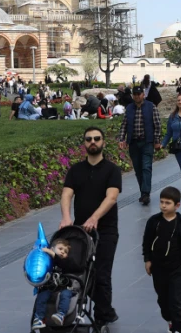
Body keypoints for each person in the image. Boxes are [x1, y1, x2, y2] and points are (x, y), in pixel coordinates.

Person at [60, 126, 121, 327]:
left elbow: (111, 197)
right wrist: (66, 217)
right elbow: (67, 194)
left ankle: (103, 316)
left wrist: (95, 218)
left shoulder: (112, 170)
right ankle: (107, 310)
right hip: (80, 231)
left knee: (102, 273)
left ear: (103, 142)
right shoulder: (76, 170)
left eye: (96, 138)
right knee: (81, 272)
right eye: (89, 139)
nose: (92, 142)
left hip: (106, 230)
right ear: (84, 143)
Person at [142, 186, 181, 333]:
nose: (163, 206)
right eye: (161, 202)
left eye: (167, 203)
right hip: (158, 268)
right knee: (163, 300)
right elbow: (146, 242)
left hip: (177, 268)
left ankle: (178, 328)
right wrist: (147, 260)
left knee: (177, 301)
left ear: (177, 205)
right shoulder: (154, 222)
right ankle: (170, 320)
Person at [120, 85, 162, 206]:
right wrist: (122, 138)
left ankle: (146, 193)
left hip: (147, 142)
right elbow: (124, 124)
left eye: (139, 94)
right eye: (135, 94)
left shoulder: (151, 107)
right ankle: (143, 192)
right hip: (133, 142)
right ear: (133, 96)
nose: (137, 96)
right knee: (138, 169)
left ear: (143, 95)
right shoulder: (129, 108)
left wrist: (157, 140)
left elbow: (157, 124)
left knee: (146, 167)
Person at [30, 238, 81, 329]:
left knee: (65, 295)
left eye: (65, 252)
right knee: (42, 296)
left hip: (65, 287)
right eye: (60, 249)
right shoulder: (49, 261)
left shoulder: (66, 262)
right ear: (52, 248)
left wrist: (53, 254)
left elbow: (63, 263)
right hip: (50, 287)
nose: (62, 252)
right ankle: (39, 318)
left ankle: (61, 314)